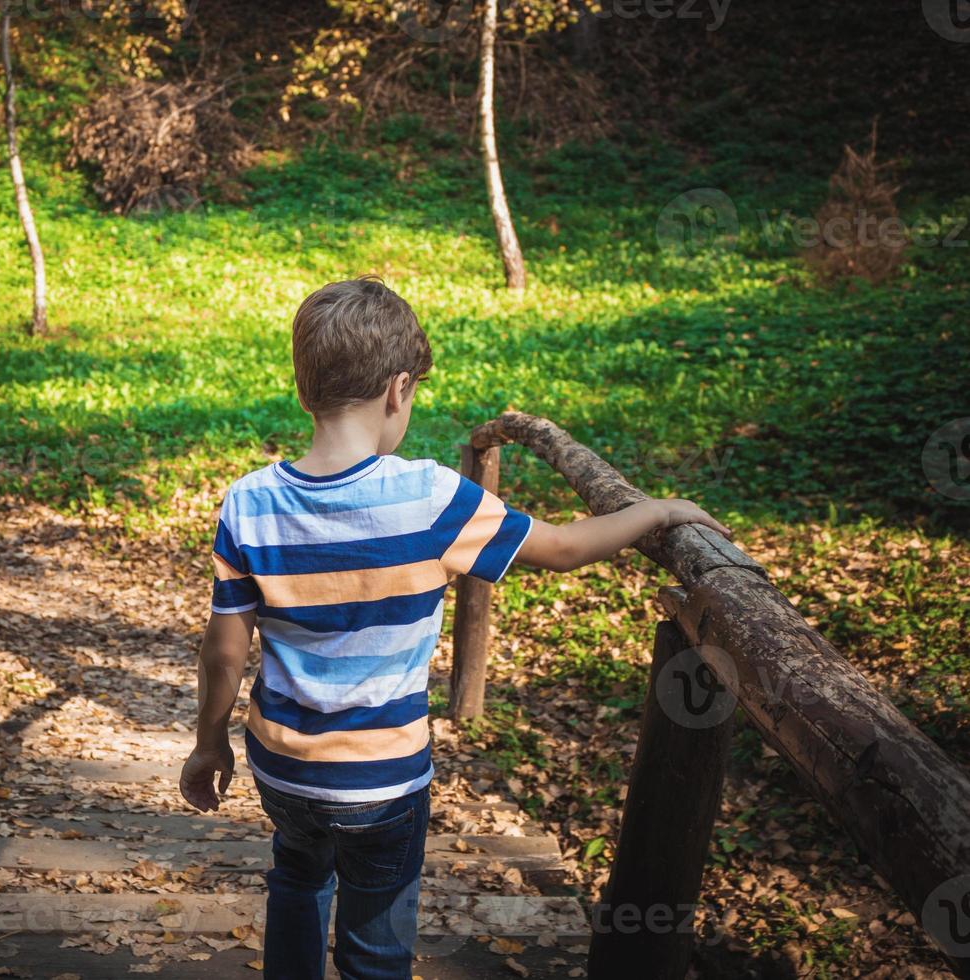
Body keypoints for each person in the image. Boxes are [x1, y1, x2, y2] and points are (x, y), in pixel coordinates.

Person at [178, 276, 731, 980]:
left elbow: (225, 651)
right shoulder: (431, 497)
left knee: (296, 880)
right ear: (398, 390)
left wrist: (207, 744)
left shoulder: (249, 502)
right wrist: (655, 511)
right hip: (384, 780)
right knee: (374, 947)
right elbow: (561, 548)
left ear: (303, 388)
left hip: (283, 765)